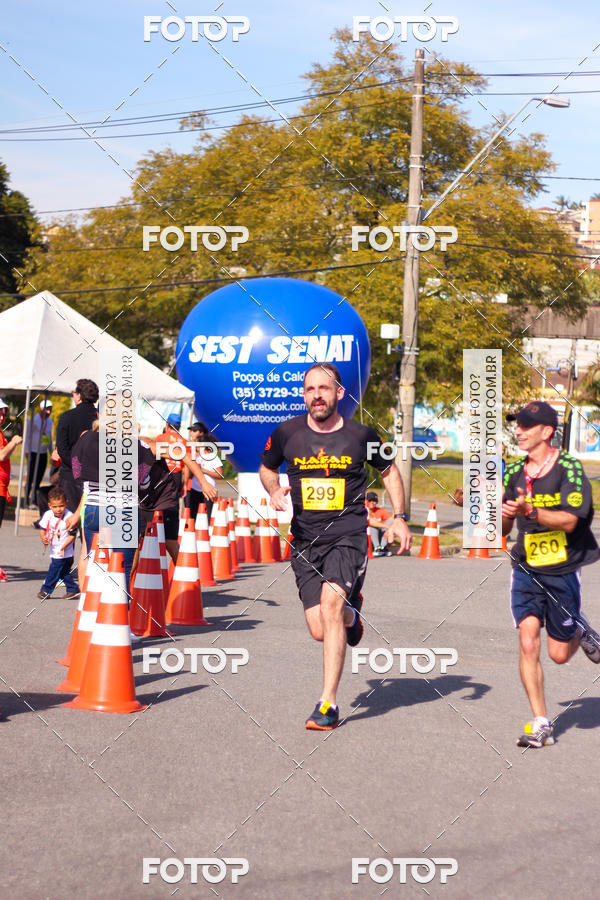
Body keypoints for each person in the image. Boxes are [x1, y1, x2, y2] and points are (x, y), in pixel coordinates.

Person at [259, 363, 412, 730]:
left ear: (339, 394)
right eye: (310, 389)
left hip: (348, 536)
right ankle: (351, 614)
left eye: (324, 389)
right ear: (304, 394)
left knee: (330, 602)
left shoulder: (361, 435)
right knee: (320, 627)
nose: (316, 395)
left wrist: (399, 515)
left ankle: (327, 703)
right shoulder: (286, 433)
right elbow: (267, 467)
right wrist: (274, 488)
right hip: (305, 541)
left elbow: (388, 470)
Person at [502, 400, 600, 748]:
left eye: (527, 425)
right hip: (526, 567)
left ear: (546, 432)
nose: (519, 430)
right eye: (517, 424)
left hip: (561, 568)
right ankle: (541, 722)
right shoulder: (514, 471)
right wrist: (504, 513)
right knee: (528, 639)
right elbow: (503, 526)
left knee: (559, 654)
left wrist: (533, 509)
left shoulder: (570, 469)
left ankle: (580, 629)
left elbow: (571, 519)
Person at [56, 379, 99, 512]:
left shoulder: (67, 417)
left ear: (79, 395)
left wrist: (77, 469)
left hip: (70, 476)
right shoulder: (101, 419)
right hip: (95, 478)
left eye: (74, 392)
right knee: (90, 522)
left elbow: (62, 450)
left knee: (69, 520)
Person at [38, 486, 79, 599]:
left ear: (66, 503)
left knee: (54, 570)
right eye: (55, 507)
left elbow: (73, 536)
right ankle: (73, 589)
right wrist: (43, 537)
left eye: (61, 506)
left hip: (64, 552)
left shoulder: (70, 517)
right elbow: (42, 529)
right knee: (62, 572)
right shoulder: (48, 515)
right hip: (54, 549)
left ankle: (46, 590)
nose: (58, 509)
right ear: (49, 505)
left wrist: (64, 547)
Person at [186, 421, 223, 521]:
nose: (197, 446)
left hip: (208, 491)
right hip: (195, 490)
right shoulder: (196, 457)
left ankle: (207, 535)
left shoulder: (213, 457)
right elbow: (190, 473)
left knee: (207, 517)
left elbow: (220, 475)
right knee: (192, 516)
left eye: (199, 445)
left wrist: (204, 471)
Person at [24, 399, 53, 508]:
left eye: (50, 409)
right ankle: (26, 498)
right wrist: (27, 450)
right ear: (42, 409)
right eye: (47, 409)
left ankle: (34, 500)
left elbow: (49, 437)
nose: (49, 412)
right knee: (31, 477)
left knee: (39, 478)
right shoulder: (34, 419)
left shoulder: (49, 421)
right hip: (33, 452)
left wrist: (51, 452)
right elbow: (27, 435)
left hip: (43, 453)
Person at [0, 398, 23, 528]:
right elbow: (2, 456)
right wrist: (13, 442)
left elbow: (5, 454)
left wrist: (12, 444)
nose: (2, 418)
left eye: (4, 415)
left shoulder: (1, 433)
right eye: (0, 414)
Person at [366, 490, 393, 556]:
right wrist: (387, 527)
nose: (372, 502)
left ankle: (382, 547)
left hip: (379, 534)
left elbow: (392, 519)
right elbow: (370, 522)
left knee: (391, 522)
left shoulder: (380, 510)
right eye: (370, 500)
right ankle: (377, 547)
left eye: (374, 501)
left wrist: (390, 527)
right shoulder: (364, 510)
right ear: (366, 501)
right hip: (367, 536)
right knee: (371, 526)